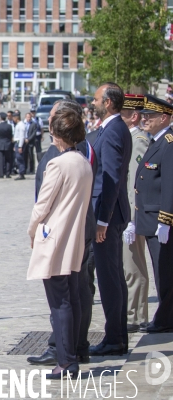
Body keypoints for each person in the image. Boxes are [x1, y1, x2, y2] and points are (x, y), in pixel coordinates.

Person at [27, 99, 98, 367]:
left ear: (58, 135)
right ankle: (74, 353)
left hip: (56, 237)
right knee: (75, 297)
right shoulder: (82, 160)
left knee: (60, 303)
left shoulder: (58, 163)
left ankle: (66, 360)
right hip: (76, 235)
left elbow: (41, 206)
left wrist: (32, 230)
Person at [89, 82, 132, 357]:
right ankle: (117, 335)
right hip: (110, 214)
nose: (92, 102)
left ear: (107, 103)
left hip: (109, 216)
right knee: (113, 277)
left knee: (109, 279)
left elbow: (112, 178)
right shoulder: (111, 128)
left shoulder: (114, 130)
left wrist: (102, 221)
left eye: (96, 99)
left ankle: (115, 337)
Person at [129, 94, 173, 333]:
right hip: (149, 217)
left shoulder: (169, 142)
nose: (145, 119)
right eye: (144, 115)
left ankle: (166, 319)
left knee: (165, 271)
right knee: (160, 270)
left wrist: (165, 219)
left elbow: (169, 184)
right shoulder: (156, 141)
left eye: (150, 116)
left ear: (164, 117)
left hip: (160, 220)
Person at [120, 94, 150, 334]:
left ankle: (136, 315)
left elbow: (134, 182)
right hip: (124, 213)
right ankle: (132, 313)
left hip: (131, 214)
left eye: (122, 114)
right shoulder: (127, 137)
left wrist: (131, 219)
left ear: (134, 116)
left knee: (133, 265)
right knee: (127, 264)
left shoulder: (137, 140)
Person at [0, 112, 13, 179]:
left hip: (0, 144)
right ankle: (8, 173)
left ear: (0, 118)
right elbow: (10, 135)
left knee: (1, 159)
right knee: (8, 159)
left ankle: (1, 174)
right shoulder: (9, 126)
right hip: (7, 144)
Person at [13, 112, 27, 180]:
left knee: (20, 159)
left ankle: (21, 173)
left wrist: (20, 146)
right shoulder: (18, 124)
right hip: (17, 143)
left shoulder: (21, 125)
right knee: (18, 159)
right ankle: (20, 172)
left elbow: (21, 136)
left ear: (16, 118)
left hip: (19, 143)